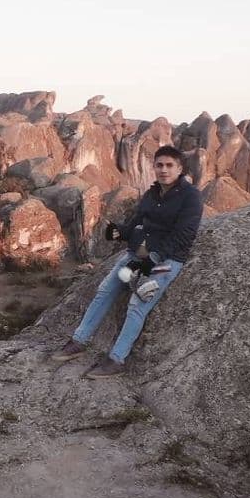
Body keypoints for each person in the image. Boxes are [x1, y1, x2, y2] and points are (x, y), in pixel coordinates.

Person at [51, 145, 203, 378]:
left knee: (137, 304)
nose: (163, 170)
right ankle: (79, 342)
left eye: (169, 165)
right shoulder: (152, 194)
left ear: (180, 168)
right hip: (137, 257)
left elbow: (184, 235)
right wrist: (119, 232)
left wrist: (152, 259)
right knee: (106, 290)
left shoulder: (190, 197)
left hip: (165, 262)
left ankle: (116, 359)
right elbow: (136, 224)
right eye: (159, 165)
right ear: (154, 167)